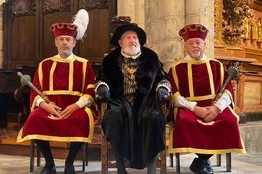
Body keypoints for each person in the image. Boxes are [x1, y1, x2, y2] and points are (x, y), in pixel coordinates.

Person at [16, 9, 97, 174]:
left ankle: (69, 162)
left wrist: (76, 106)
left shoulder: (84, 64)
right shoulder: (45, 64)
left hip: (74, 108)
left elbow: (90, 88)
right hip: (50, 108)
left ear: (74, 42)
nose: (64, 42)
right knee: (34, 119)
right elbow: (35, 91)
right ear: (56, 42)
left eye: (68, 39)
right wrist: (45, 106)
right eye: (61, 39)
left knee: (82, 119)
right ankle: (50, 163)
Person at [167, 24, 245, 174]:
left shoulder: (217, 65)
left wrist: (217, 108)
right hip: (189, 107)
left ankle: (201, 161)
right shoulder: (176, 68)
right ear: (185, 46)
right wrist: (195, 108)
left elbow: (227, 91)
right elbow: (174, 95)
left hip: (214, 105)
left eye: (198, 42)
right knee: (186, 122)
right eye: (190, 43)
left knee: (229, 121)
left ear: (204, 44)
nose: (194, 46)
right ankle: (203, 161)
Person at [95, 23, 171, 174]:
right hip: (119, 101)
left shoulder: (151, 57)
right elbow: (100, 79)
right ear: (120, 42)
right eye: (128, 37)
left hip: (146, 101)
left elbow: (163, 78)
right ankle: (121, 168)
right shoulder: (110, 59)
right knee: (112, 118)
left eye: (135, 37)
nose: (132, 40)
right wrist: (102, 87)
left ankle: (151, 168)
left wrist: (162, 89)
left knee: (154, 118)